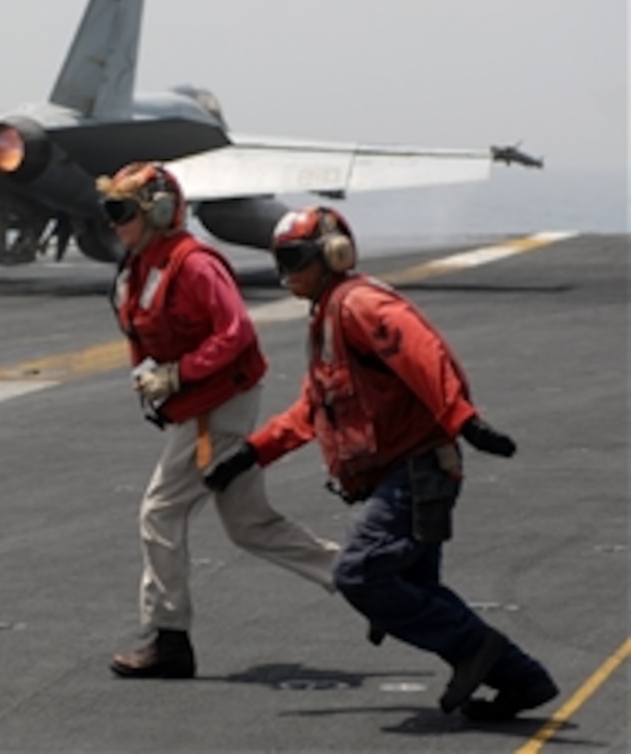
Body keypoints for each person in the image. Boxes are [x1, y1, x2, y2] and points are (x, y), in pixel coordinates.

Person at [203, 205, 559, 720]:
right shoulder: (329, 316)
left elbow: (422, 350)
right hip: (408, 473)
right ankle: (522, 680)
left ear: (332, 254)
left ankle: (476, 650)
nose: (287, 274)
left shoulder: (358, 305)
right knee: (415, 588)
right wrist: (251, 454)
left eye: (296, 259)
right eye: (281, 261)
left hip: (418, 470)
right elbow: (311, 409)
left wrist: (463, 419)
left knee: (360, 574)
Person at [98, 162, 340, 680]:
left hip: (217, 408)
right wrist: (152, 384)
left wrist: (177, 375)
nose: (114, 222)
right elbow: (139, 331)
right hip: (195, 404)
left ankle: (168, 638)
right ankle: (360, 577)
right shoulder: (139, 266)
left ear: (159, 213)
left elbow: (235, 334)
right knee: (249, 526)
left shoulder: (194, 265)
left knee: (159, 512)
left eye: (122, 212)